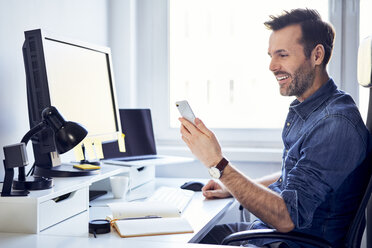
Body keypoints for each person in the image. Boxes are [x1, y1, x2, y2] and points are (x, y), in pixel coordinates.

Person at [178, 8, 372, 248]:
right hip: (271, 236)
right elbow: (295, 177)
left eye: (282, 55)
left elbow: (287, 218)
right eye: (271, 55)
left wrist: (217, 163)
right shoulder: (312, 109)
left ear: (317, 55)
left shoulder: (334, 124)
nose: (272, 65)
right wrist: (230, 187)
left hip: (288, 242)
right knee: (188, 237)